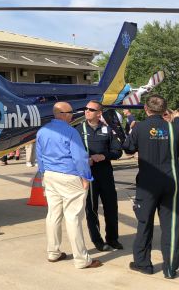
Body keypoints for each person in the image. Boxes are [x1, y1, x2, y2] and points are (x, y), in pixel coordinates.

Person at [36, 101, 101, 269]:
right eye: (71, 112)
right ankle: (81, 259)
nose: (73, 115)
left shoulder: (42, 131)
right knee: (73, 217)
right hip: (69, 176)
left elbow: (39, 156)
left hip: (50, 175)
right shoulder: (71, 132)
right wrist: (86, 177)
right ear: (64, 114)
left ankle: (53, 252)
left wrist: (44, 175)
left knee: (53, 215)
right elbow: (79, 158)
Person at [123, 94, 179, 279]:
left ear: (146, 109)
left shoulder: (140, 127)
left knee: (144, 223)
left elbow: (128, 148)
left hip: (147, 183)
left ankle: (143, 263)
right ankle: (170, 267)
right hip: (171, 182)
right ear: (165, 110)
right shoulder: (173, 128)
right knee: (171, 225)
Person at [75, 100, 123, 252]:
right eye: (86, 108)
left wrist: (104, 156)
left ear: (99, 113)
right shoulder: (78, 130)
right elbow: (72, 152)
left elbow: (118, 151)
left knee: (111, 207)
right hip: (88, 176)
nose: (87, 111)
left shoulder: (107, 130)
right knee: (92, 209)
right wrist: (84, 160)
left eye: (91, 109)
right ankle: (98, 241)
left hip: (106, 174)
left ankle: (113, 238)